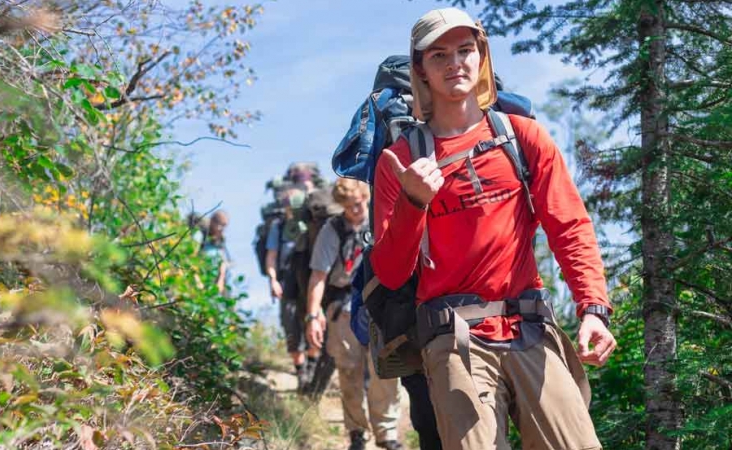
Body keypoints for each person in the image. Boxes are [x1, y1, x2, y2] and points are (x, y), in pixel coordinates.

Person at [371, 8, 617, 450]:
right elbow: (390, 273)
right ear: (421, 70)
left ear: (482, 56)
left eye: (466, 50)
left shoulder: (523, 137)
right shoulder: (401, 160)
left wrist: (593, 308)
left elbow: (569, 226)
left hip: (530, 328)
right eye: (439, 55)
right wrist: (413, 201)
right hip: (452, 337)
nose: (455, 64)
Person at [305, 178, 403, 450]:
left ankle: (387, 434)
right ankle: (356, 433)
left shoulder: (384, 218)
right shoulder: (332, 230)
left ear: (366, 197)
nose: (355, 210)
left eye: (358, 203)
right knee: (349, 372)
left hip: (381, 304)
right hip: (344, 306)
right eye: (348, 206)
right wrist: (313, 315)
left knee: (385, 370)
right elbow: (318, 276)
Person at [264, 188, 311, 387]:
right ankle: (302, 374)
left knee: (313, 328)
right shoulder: (278, 226)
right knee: (292, 330)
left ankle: (312, 369)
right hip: (287, 285)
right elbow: (271, 257)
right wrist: (273, 281)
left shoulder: (311, 225)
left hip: (309, 285)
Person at [200, 210, 232, 295]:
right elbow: (192, 259)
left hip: (216, 281)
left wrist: (221, 280)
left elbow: (222, 261)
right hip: (202, 279)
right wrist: (198, 282)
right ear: (212, 222)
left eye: (224, 226)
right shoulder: (201, 237)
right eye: (220, 225)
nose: (222, 229)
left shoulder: (220, 241)